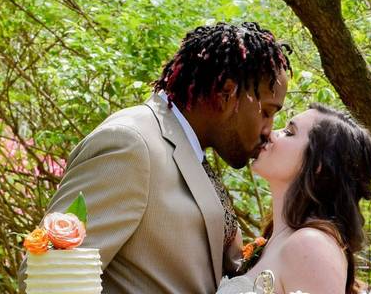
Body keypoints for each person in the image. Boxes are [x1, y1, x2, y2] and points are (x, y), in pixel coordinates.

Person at [20, 22, 292, 294]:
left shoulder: (188, 148)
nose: (269, 130)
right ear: (225, 94)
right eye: (267, 112)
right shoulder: (132, 143)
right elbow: (48, 279)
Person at [217, 104, 371, 294]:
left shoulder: (311, 245)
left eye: (289, 132)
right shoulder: (274, 241)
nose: (271, 134)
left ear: (318, 165)